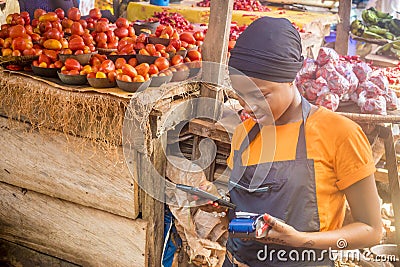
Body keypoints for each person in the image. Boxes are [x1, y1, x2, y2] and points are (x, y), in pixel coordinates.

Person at [221, 16, 382, 266]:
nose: (248, 107)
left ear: (290, 78)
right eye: (240, 96)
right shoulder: (244, 134)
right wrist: (220, 204)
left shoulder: (340, 133)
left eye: (260, 96)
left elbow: (371, 230)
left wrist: (301, 240)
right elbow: (242, 206)